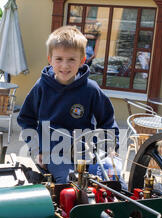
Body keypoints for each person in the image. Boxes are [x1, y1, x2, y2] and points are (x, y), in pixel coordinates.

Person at [17, 26, 119, 184]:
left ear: (82, 61)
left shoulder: (91, 89)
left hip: (86, 151)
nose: (65, 65)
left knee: (111, 179)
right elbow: (26, 119)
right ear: (50, 59)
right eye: (59, 59)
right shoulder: (41, 87)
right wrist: (37, 149)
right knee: (71, 184)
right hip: (53, 153)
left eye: (71, 59)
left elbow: (108, 121)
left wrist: (110, 146)